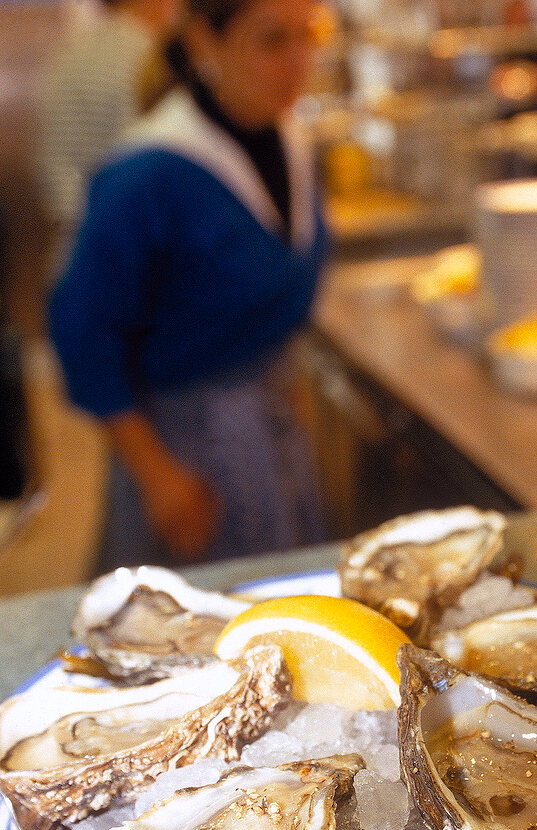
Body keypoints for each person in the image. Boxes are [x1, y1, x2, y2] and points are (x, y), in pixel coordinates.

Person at [49, 0, 329, 569]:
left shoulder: (289, 138)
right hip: (185, 448)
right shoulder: (149, 173)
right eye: (274, 41)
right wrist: (157, 477)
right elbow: (81, 333)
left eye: (310, 36)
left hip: (271, 425)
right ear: (205, 41)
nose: (300, 62)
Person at [36, 0, 178, 274]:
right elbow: (150, 169)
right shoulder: (147, 57)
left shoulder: (67, 55)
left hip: (67, 251)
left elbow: (47, 165)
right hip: (124, 254)